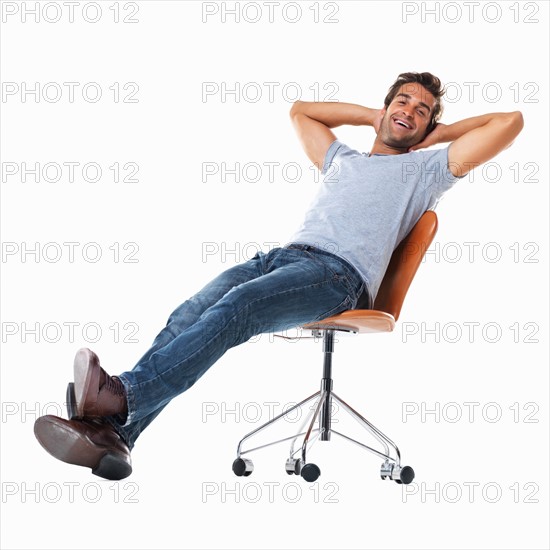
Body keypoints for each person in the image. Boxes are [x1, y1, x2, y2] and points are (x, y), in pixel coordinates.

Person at [34, 72, 524, 480]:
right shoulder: (344, 159)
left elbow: (511, 121)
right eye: (402, 101)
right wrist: (371, 116)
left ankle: (124, 397)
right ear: (384, 107)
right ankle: (116, 437)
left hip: (336, 276)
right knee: (187, 314)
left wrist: (441, 134)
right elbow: (301, 112)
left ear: (430, 127)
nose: (411, 112)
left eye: (423, 110)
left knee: (237, 309)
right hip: (279, 259)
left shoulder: (429, 170)